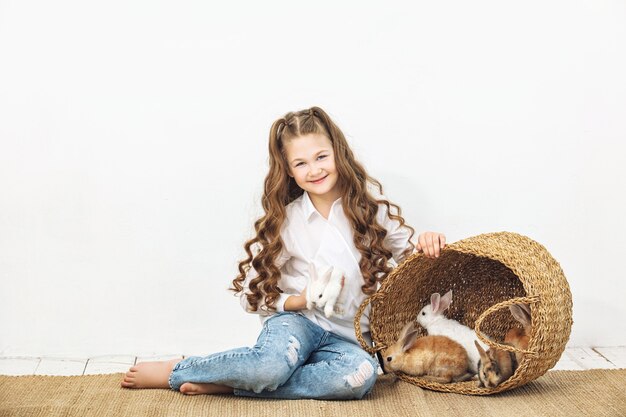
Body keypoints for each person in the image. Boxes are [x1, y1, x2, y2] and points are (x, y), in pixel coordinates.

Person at [121, 106, 446, 400]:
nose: (314, 169)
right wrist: (298, 301)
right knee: (268, 367)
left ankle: (233, 384)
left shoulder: (369, 211)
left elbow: (411, 260)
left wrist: (426, 241)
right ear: (289, 171)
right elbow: (250, 292)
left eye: (321, 157)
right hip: (296, 324)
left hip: (346, 340)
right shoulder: (288, 221)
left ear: (338, 154)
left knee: (360, 379)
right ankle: (183, 369)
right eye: (300, 163)